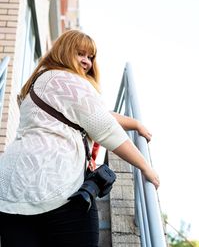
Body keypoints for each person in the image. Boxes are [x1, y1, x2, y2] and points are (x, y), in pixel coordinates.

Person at [0, 29, 160, 247]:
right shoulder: (67, 80)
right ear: (64, 52)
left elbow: (93, 116)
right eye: (80, 54)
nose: (87, 62)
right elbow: (105, 128)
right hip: (54, 188)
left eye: (91, 57)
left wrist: (135, 123)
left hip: (10, 192)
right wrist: (145, 166)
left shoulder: (43, 80)